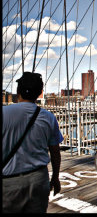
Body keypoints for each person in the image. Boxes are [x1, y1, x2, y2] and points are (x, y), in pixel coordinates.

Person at [2, 72, 63, 213]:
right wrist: (55, 177)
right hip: (38, 180)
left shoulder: (4, 113)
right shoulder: (48, 117)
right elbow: (55, 152)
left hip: (9, 183)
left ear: (18, 92)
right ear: (40, 93)